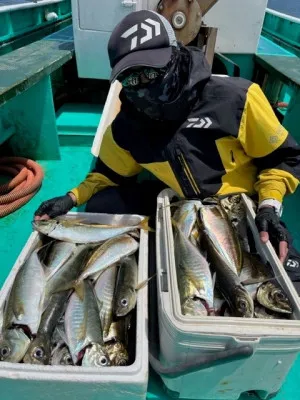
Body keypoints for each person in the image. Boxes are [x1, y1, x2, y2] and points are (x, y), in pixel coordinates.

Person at [34, 10, 300, 291]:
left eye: (151, 72)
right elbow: (107, 176)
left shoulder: (236, 99)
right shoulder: (126, 127)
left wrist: (269, 205)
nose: (143, 88)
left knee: (286, 284)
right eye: (131, 79)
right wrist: (70, 198)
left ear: (176, 55)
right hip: (179, 203)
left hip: (238, 206)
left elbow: (284, 157)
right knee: (102, 204)